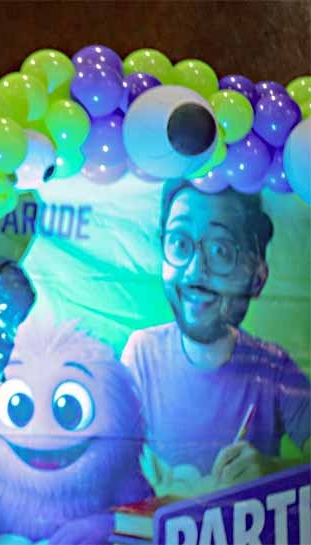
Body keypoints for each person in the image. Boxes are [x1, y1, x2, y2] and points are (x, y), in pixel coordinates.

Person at [121, 179, 309, 494]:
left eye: (220, 250)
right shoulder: (142, 354)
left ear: (257, 276)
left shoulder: (273, 367)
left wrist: (273, 472)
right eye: (179, 243)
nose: (195, 270)